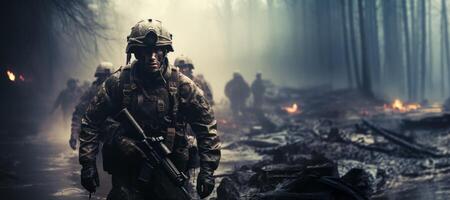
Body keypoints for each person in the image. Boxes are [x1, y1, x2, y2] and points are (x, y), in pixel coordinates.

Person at [78, 19, 221, 200]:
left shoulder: (183, 85)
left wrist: (207, 171)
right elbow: (91, 121)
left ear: (165, 51)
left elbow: (207, 127)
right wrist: (88, 164)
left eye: (157, 50)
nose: (152, 56)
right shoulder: (118, 83)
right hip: (127, 169)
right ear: (136, 53)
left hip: (169, 167)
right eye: (145, 51)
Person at [69, 62, 113, 150]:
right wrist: (74, 134)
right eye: (103, 76)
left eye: (109, 76)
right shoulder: (90, 93)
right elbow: (79, 113)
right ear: (98, 77)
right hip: (94, 135)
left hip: (112, 137)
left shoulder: (117, 91)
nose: (106, 79)